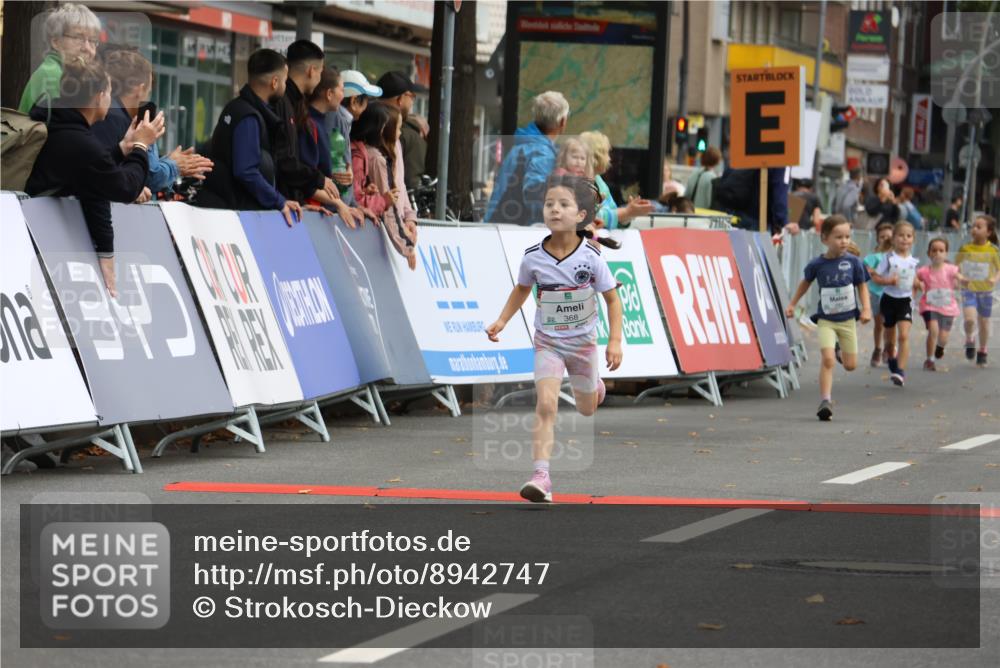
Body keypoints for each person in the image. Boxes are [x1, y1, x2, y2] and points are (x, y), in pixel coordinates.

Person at [486, 174, 623, 502]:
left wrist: (614, 341)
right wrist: (502, 320)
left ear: (581, 215)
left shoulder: (591, 256)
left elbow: (612, 300)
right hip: (547, 343)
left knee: (587, 408)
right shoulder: (533, 256)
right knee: (546, 405)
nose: (554, 210)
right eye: (549, 204)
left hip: (583, 345)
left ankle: (595, 387)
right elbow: (521, 289)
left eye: (563, 204)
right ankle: (541, 477)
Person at [26, 60, 162, 297]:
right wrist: (141, 145)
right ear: (99, 97)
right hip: (34, 243)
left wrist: (123, 148)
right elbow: (124, 188)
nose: (111, 99)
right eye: (109, 92)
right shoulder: (80, 142)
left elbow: (91, 170)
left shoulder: (61, 125)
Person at [197, 49, 301, 226]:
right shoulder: (249, 117)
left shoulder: (235, 107)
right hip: (233, 217)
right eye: (284, 81)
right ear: (275, 82)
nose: (285, 86)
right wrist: (278, 200)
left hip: (223, 208)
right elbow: (246, 170)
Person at [785, 215, 872, 421]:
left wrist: (866, 309)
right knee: (827, 359)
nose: (844, 241)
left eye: (847, 237)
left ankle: (840, 350)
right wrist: (792, 304)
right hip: (826, 319)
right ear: (824, 239)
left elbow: (862, 286)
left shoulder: (853, 263)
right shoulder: (817, 264)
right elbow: (805, 283)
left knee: (850, 365)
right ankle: (825, 400)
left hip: (848, 320)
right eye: (838, 237)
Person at [93, 48, 213, 196]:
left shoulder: (109, 115)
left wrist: (167, 162)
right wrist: (175, 166)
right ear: (140, 89)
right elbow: (148, 177)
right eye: (149, 91)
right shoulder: (119, 120)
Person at [273, 40, 354, 224]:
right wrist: (320, 181)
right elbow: (285, 163)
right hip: (280, 208)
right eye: (320, 71)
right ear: (311, 71)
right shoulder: (285, 105)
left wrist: (301, 201)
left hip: (292, 204)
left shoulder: (297, 105)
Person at [300, 67, 371, 224]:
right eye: (341, 90)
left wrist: (349, 205)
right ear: (329, 94)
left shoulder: (319, 121)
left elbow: (338, 170)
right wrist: (340, 204)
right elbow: (307, 176)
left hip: (329, 209)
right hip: (319, 213)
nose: (342, 95)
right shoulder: (314, 124)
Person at [486, 91, 568, 225]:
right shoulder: (542, 153)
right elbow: (536, 197)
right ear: (562, 121)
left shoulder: (523, 143)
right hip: (515, 233)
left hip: (499, 226)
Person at [351, 103, 417, 268]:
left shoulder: (366, 152)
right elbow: (389, 208)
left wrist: (409, 217)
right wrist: (406, 244)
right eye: (398, 128)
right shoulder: (378, 160)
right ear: (383, 130)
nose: (400, 133)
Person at [19, 3, 101, 113]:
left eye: (92, 40)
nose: (87, 48)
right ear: (56, 42)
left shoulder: (68, 73)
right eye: (77, 38)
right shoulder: (53, 74)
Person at [869, 222, 922, 387]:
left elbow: (913, 278)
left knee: (904, 336)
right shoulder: (888, 258)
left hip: (905, 301)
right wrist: (888, 281)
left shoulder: (913, 261)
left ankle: (900, 371)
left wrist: (919, 284)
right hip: (889, 299)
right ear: (894, 239)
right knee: (890, 341)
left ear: (913, 239)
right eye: (901, 235)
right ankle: (891, 359)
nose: (905, 239)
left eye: (908, 236)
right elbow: (875, 277)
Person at [579, 130, 653, 230]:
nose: (609, 159)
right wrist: (627, 211)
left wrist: (629, 214)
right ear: (596, 156)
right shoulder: (576, 183)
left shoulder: (599, 182)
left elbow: (613, 216)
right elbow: (593, 216)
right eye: (606, 153)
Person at [326, 70, 381, 203]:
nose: (367, 105)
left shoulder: (342, 120)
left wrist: (354, 206)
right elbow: (340, 172)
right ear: (354, 101)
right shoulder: (337, 120)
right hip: (335, 208)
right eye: (366, 99)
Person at [956, 214, 1000, 367]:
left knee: (984, 322)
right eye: (973, 226)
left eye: (978, 227)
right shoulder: (965, 248)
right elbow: (955, 268)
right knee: (969, 319)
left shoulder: (993, 250)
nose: (974, 229)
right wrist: (960, 277)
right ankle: (969, 339)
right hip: (968, 290)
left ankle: (983, 350)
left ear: (988, 232)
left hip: (986, 291)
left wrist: (994, 278)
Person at [916, 238, 964, 371]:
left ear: (946, 253)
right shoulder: (924, 271)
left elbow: (960, 277)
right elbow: (915, 279)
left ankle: (940, 348)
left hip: (948, 308)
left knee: (943, 338)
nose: (937, 253)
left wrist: (964, 281)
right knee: (933, 330)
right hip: (930, 306)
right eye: (934, 250)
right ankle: (930, 360)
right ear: (929, 253)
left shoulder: (951, 269)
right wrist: (917, 284)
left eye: (941, 250)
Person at [376, 71, 428, 191]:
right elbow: (409, 184)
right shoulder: (406, 136)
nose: (412, 102)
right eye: (412, 96)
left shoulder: (365, 125)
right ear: (400, 99)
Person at [715, 166, 791, 234]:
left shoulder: (749, 153)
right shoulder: (781, 160)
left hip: (732, 212)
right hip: (757, 219)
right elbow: (780, 192)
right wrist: (784, 223)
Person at [863, 222, 895, 367]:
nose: (885, 239)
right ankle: (877, 348)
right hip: (876, 293)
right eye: (882, 237)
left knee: (890, 324)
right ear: (877, 239)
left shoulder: (897, 256)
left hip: (892, 294)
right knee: (879, 324)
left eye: (888, 236)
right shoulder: (874, 256)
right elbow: (868, 270)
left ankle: (888, 349)